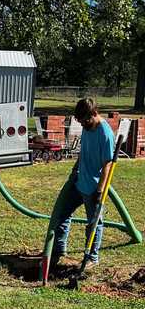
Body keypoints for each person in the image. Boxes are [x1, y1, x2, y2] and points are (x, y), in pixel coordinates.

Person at [52, 98, 115, 268]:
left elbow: (107, 164)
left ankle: (92, 259)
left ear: (94, 113)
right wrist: (75, 169)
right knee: (62, 214)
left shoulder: (105, 134)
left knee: (94, 223)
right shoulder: (88, 127)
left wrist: (100, 191)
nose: (82, 125)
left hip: (93, 187)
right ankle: (59, 251)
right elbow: (84, 150)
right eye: (80, 121)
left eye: (84, 120)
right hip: (79, 181)